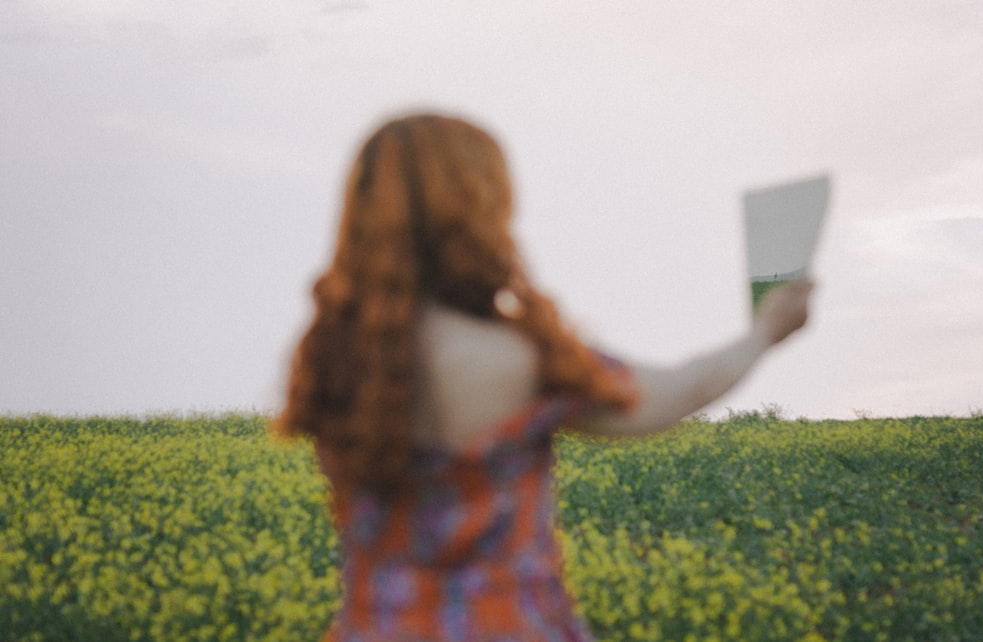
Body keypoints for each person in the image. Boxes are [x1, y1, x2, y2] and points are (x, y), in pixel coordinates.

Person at [273, 113, 813, 641]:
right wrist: (764, 332)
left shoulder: (330, 357)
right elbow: (675, 392)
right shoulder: (523, 359)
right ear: (478, 208)